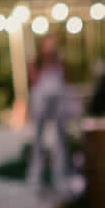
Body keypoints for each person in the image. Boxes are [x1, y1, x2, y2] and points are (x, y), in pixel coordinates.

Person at [25, 35, 69, 194]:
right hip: (41, 103)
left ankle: (60, 176)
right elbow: (34, 82)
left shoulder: (60, 62)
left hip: (58, 103)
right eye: (48, 44)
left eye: (53, 44)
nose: (50, 47)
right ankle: (35, 176)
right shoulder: (35, 62)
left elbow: (64, 81)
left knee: (60, 141)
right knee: (38, 140)